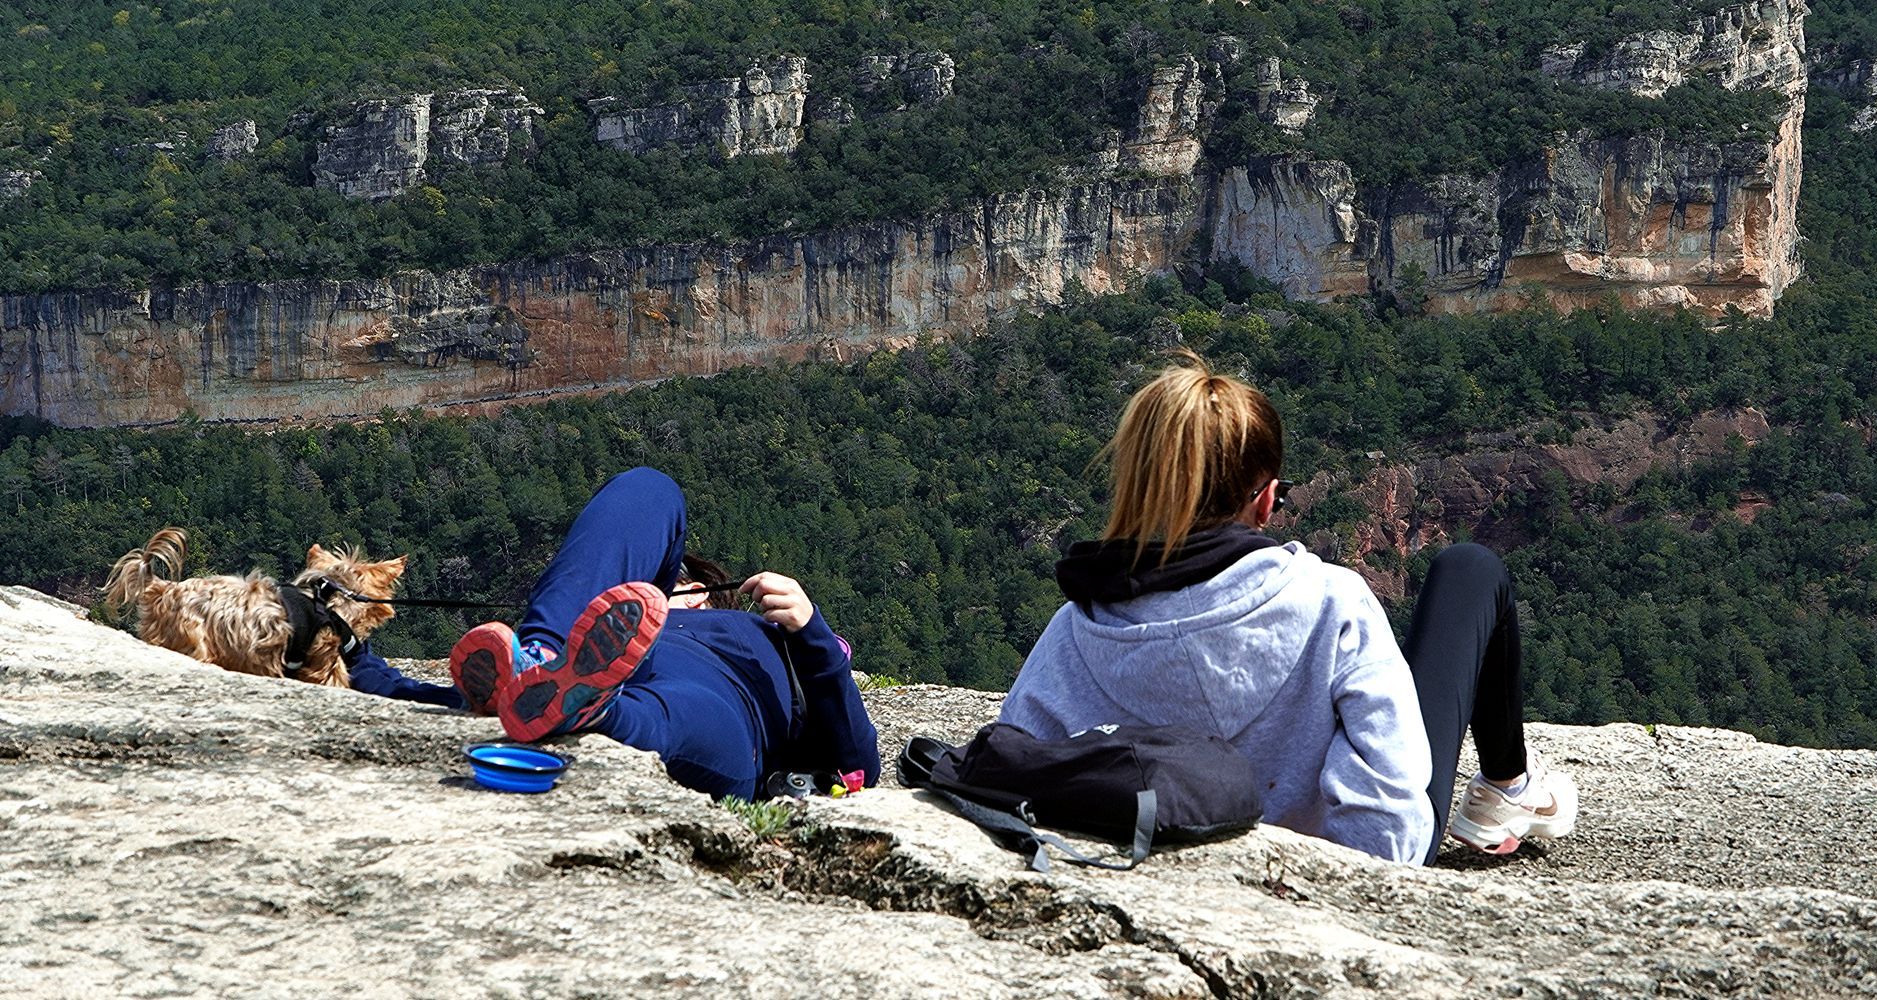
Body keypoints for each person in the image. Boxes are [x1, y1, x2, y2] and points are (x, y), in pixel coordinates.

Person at [997, 353, 1577, 865]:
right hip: (1341, 869)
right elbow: (1390, 830)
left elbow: (1010, 773)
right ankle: (1507, 789)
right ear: (1268, 500)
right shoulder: (1332, 602)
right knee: (1470, 569)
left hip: (1150, 846)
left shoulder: (1075, 629)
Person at [347, 467, 880, 801]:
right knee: (651, 488)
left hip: (730, 709)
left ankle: (592, 709)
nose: (677, 591)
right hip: (596, 665)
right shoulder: (612, 630)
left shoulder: (766, 637)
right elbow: (438, 702)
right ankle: (542, 658)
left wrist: (811, 631)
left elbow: (859, 766)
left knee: (673, 713)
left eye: (685, 585)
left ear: (705, 595)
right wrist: (353, 654)